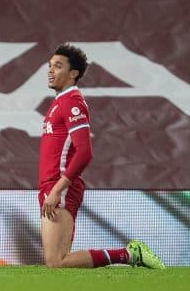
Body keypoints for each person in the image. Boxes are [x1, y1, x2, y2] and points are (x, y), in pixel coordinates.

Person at [39, 43, 165, 269]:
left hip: (60, 186)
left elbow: (85, 152)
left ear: (73, 73)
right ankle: (129, 254)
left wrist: (58, 189)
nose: (50, 70)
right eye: (49, 66)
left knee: (57, 262)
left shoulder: (72, 102)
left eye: (58, 66)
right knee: (56, 261)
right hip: (51, 184)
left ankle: (129, 254)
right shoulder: (59, 102)